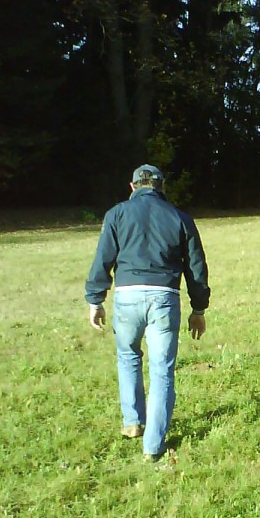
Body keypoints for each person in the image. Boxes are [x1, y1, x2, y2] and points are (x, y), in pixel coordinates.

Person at [85, 165, 210, 461]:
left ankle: (132, 422)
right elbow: (196, 267)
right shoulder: (181, 218)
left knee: (128, 356)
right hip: (164, 298)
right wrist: (199, 308)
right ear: (162, 186)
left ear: (132, 186)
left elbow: (103, 259)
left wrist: (95, 299)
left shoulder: (116, 214)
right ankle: (153, 446)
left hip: (127, 296)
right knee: (162, 370)